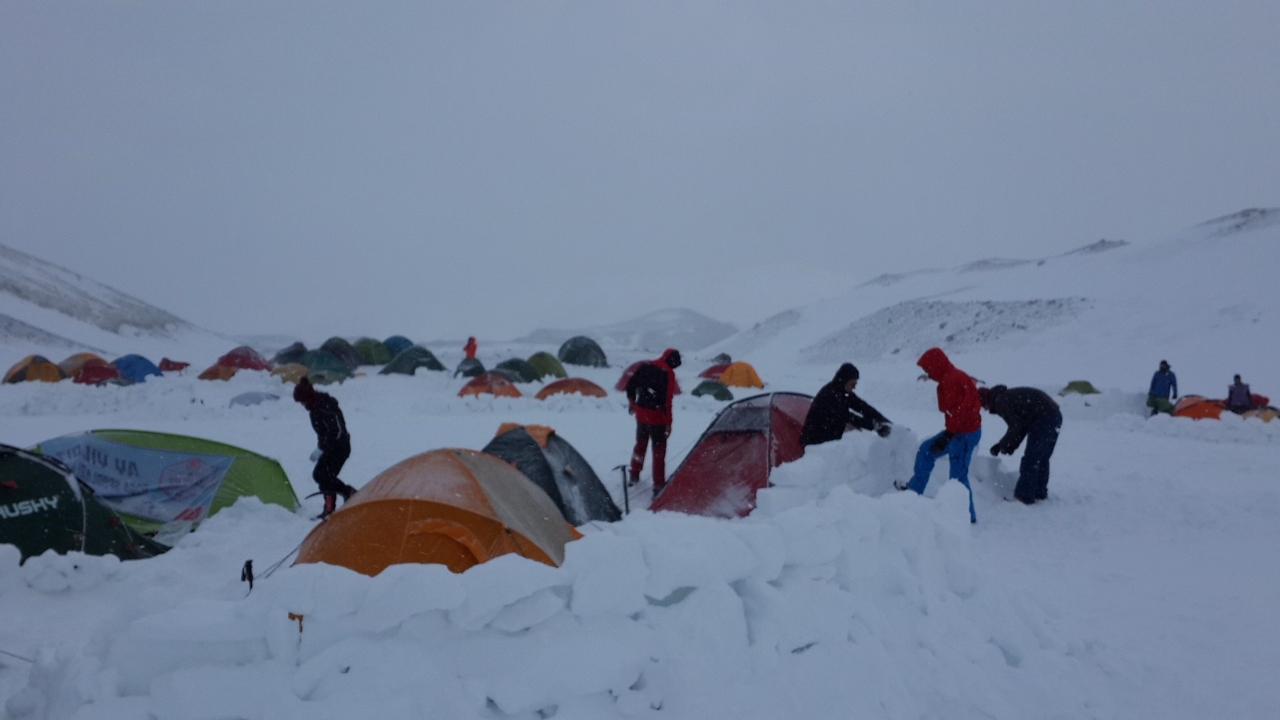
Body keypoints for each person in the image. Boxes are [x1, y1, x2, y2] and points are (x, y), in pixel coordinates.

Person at [895, 347, 982, 523]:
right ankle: (914, 492)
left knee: (958, 478)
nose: (927, 373)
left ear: (936, 365)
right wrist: (949, 434)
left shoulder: (952, 380)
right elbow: (955, 412)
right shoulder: (949, 378)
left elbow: (962, 411)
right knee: (926, 451)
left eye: (928, 369)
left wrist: (949, 436)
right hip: (956, 431)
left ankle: (966, 516)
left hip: (964, 434)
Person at [979, 385, 1063, 504]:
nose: (985, 409)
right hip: (1054, 416)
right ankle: (1039, 492)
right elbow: (1021, 426)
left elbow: (1016, 427)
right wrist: (1010, 446)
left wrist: (1001, 445)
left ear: (985, 401)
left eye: (983, 406)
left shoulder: (1000, 401)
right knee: (1042, 458)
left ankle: (1024, 496)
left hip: (1044, 419)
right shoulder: (1005, 397)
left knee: (1031, 459)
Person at [293, 377, 355, 519]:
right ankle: (330, 507)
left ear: (307, 398)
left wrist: (324, 447)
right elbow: (322, 433)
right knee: (322, 476)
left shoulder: (325, 406)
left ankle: (348, 493)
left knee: (322, 475)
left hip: (340, 447)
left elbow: (337, 430)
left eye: (301, 401)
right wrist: (320, 448)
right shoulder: (314, 409)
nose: (302, 405)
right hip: (330, 448)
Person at [625, 348, 681, 495]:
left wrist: (632, 402)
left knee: (640, 445)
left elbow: (631, 385)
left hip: (641, 414)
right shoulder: (668, 373)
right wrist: (669, 423)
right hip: (658, 418)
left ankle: (634, 473)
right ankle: (658, 484)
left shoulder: (646, 366)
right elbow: (668, 401)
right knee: (659, 452)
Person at [800, 362, 892, 447]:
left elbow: (862, 406)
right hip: (814, 442)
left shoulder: (843, 391)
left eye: (855, 384)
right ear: (844, 380)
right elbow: (849, 417)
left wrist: (883, 420)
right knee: (853, 435)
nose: (854, 387)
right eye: (852, 384)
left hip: (829, 435)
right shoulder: (829, 395)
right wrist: (875, 426)